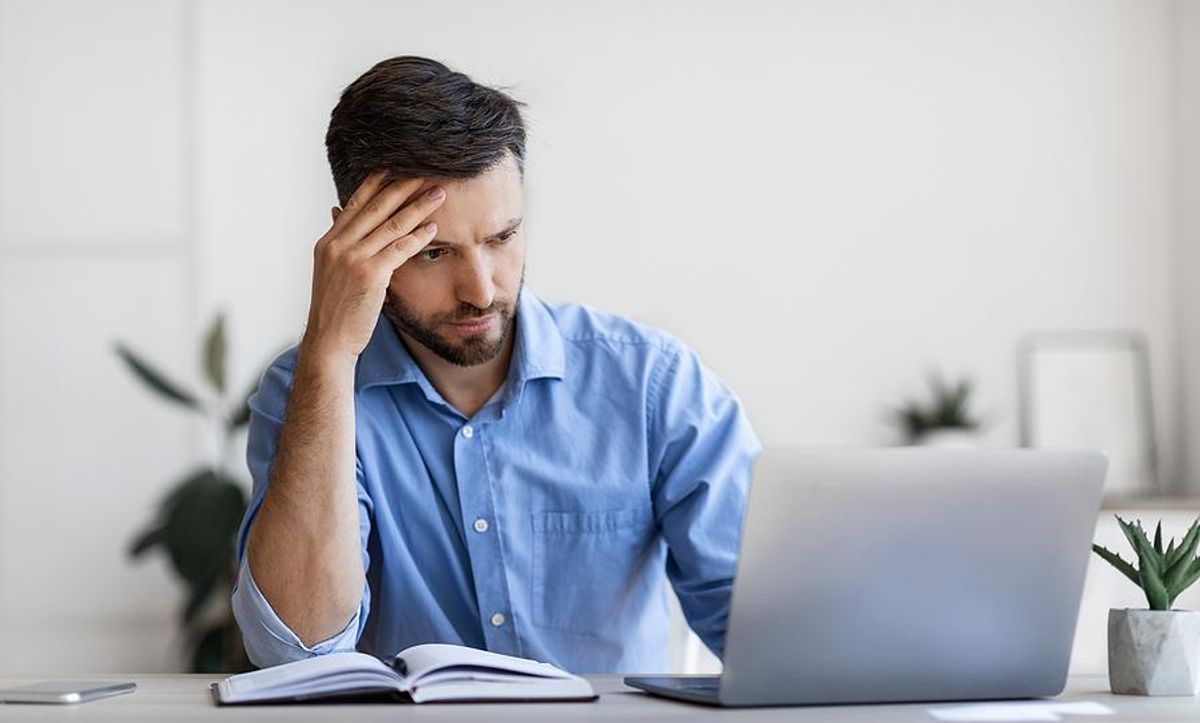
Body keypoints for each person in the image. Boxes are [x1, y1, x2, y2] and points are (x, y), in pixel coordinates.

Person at [231, 55, 761, 673]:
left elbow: (771, 635)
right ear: (354, 245)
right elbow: (295, 650)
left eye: (501, 238)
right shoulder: (309, 390)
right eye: (433, 253)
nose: (481, 289)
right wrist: (330, 350)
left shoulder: (652, 384)